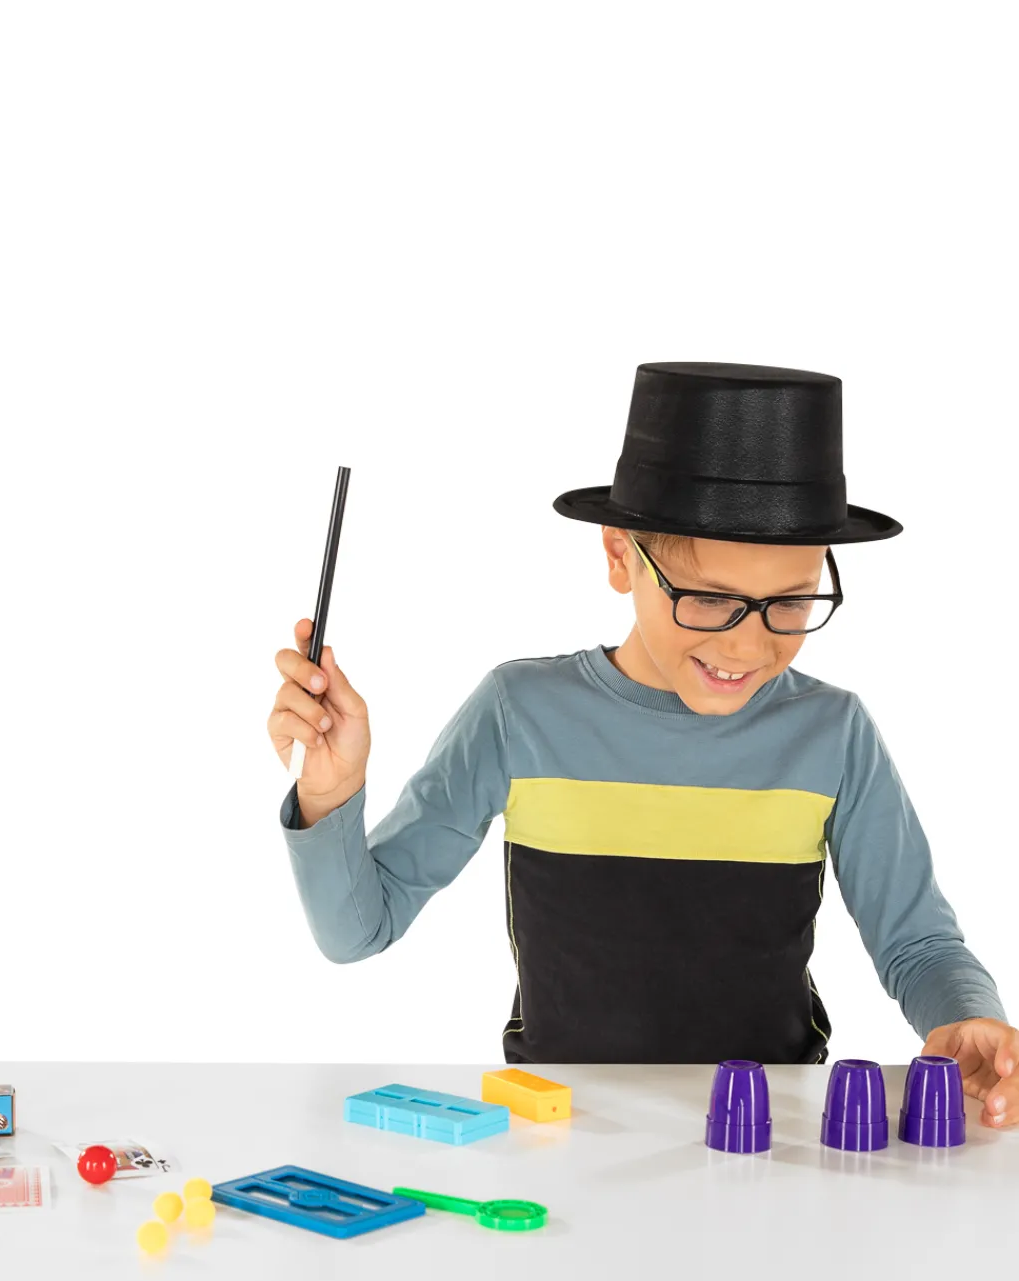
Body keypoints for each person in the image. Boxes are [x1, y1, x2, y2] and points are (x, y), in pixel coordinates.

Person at [268, 362, 1016, 1127]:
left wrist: (969, 1017)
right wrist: (330, 792)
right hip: (561, 1132)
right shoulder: (520, 712)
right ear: (621, 556)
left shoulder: (834, 733)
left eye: (790, 603)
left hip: (769, 1135)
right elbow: (358, 931)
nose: (748, 646)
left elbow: (919, 945)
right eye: (710, 598)